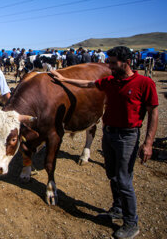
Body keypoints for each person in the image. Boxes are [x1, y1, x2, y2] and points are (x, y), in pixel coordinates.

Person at [51, 46, 158, 239]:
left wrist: (148, 142)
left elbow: (154, 112)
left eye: (112, 62)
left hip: (128, 136)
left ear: (126, 62)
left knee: (124, 180)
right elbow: (89, 84)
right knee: (112, 175)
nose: (108, 65)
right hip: (109, 134)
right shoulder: (111, 80)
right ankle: (117, 209)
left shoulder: (145, 83)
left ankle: (131, 223)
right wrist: (64, 79)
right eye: (108, 62)